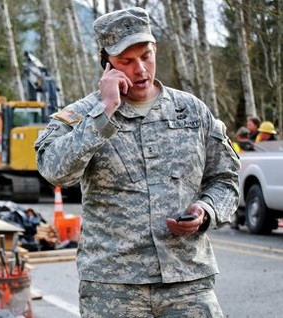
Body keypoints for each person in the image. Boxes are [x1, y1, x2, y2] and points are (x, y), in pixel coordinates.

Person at [35, 7, 239, 317]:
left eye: (146, 56)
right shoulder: (82, 116)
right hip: (113, 288)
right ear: (107, 63)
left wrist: (206, 210)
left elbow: (225, 179)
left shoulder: (193, 112)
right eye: (127, 62)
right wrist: (103, 114)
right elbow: (54, 171)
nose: (141, 70)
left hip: (187, 281)